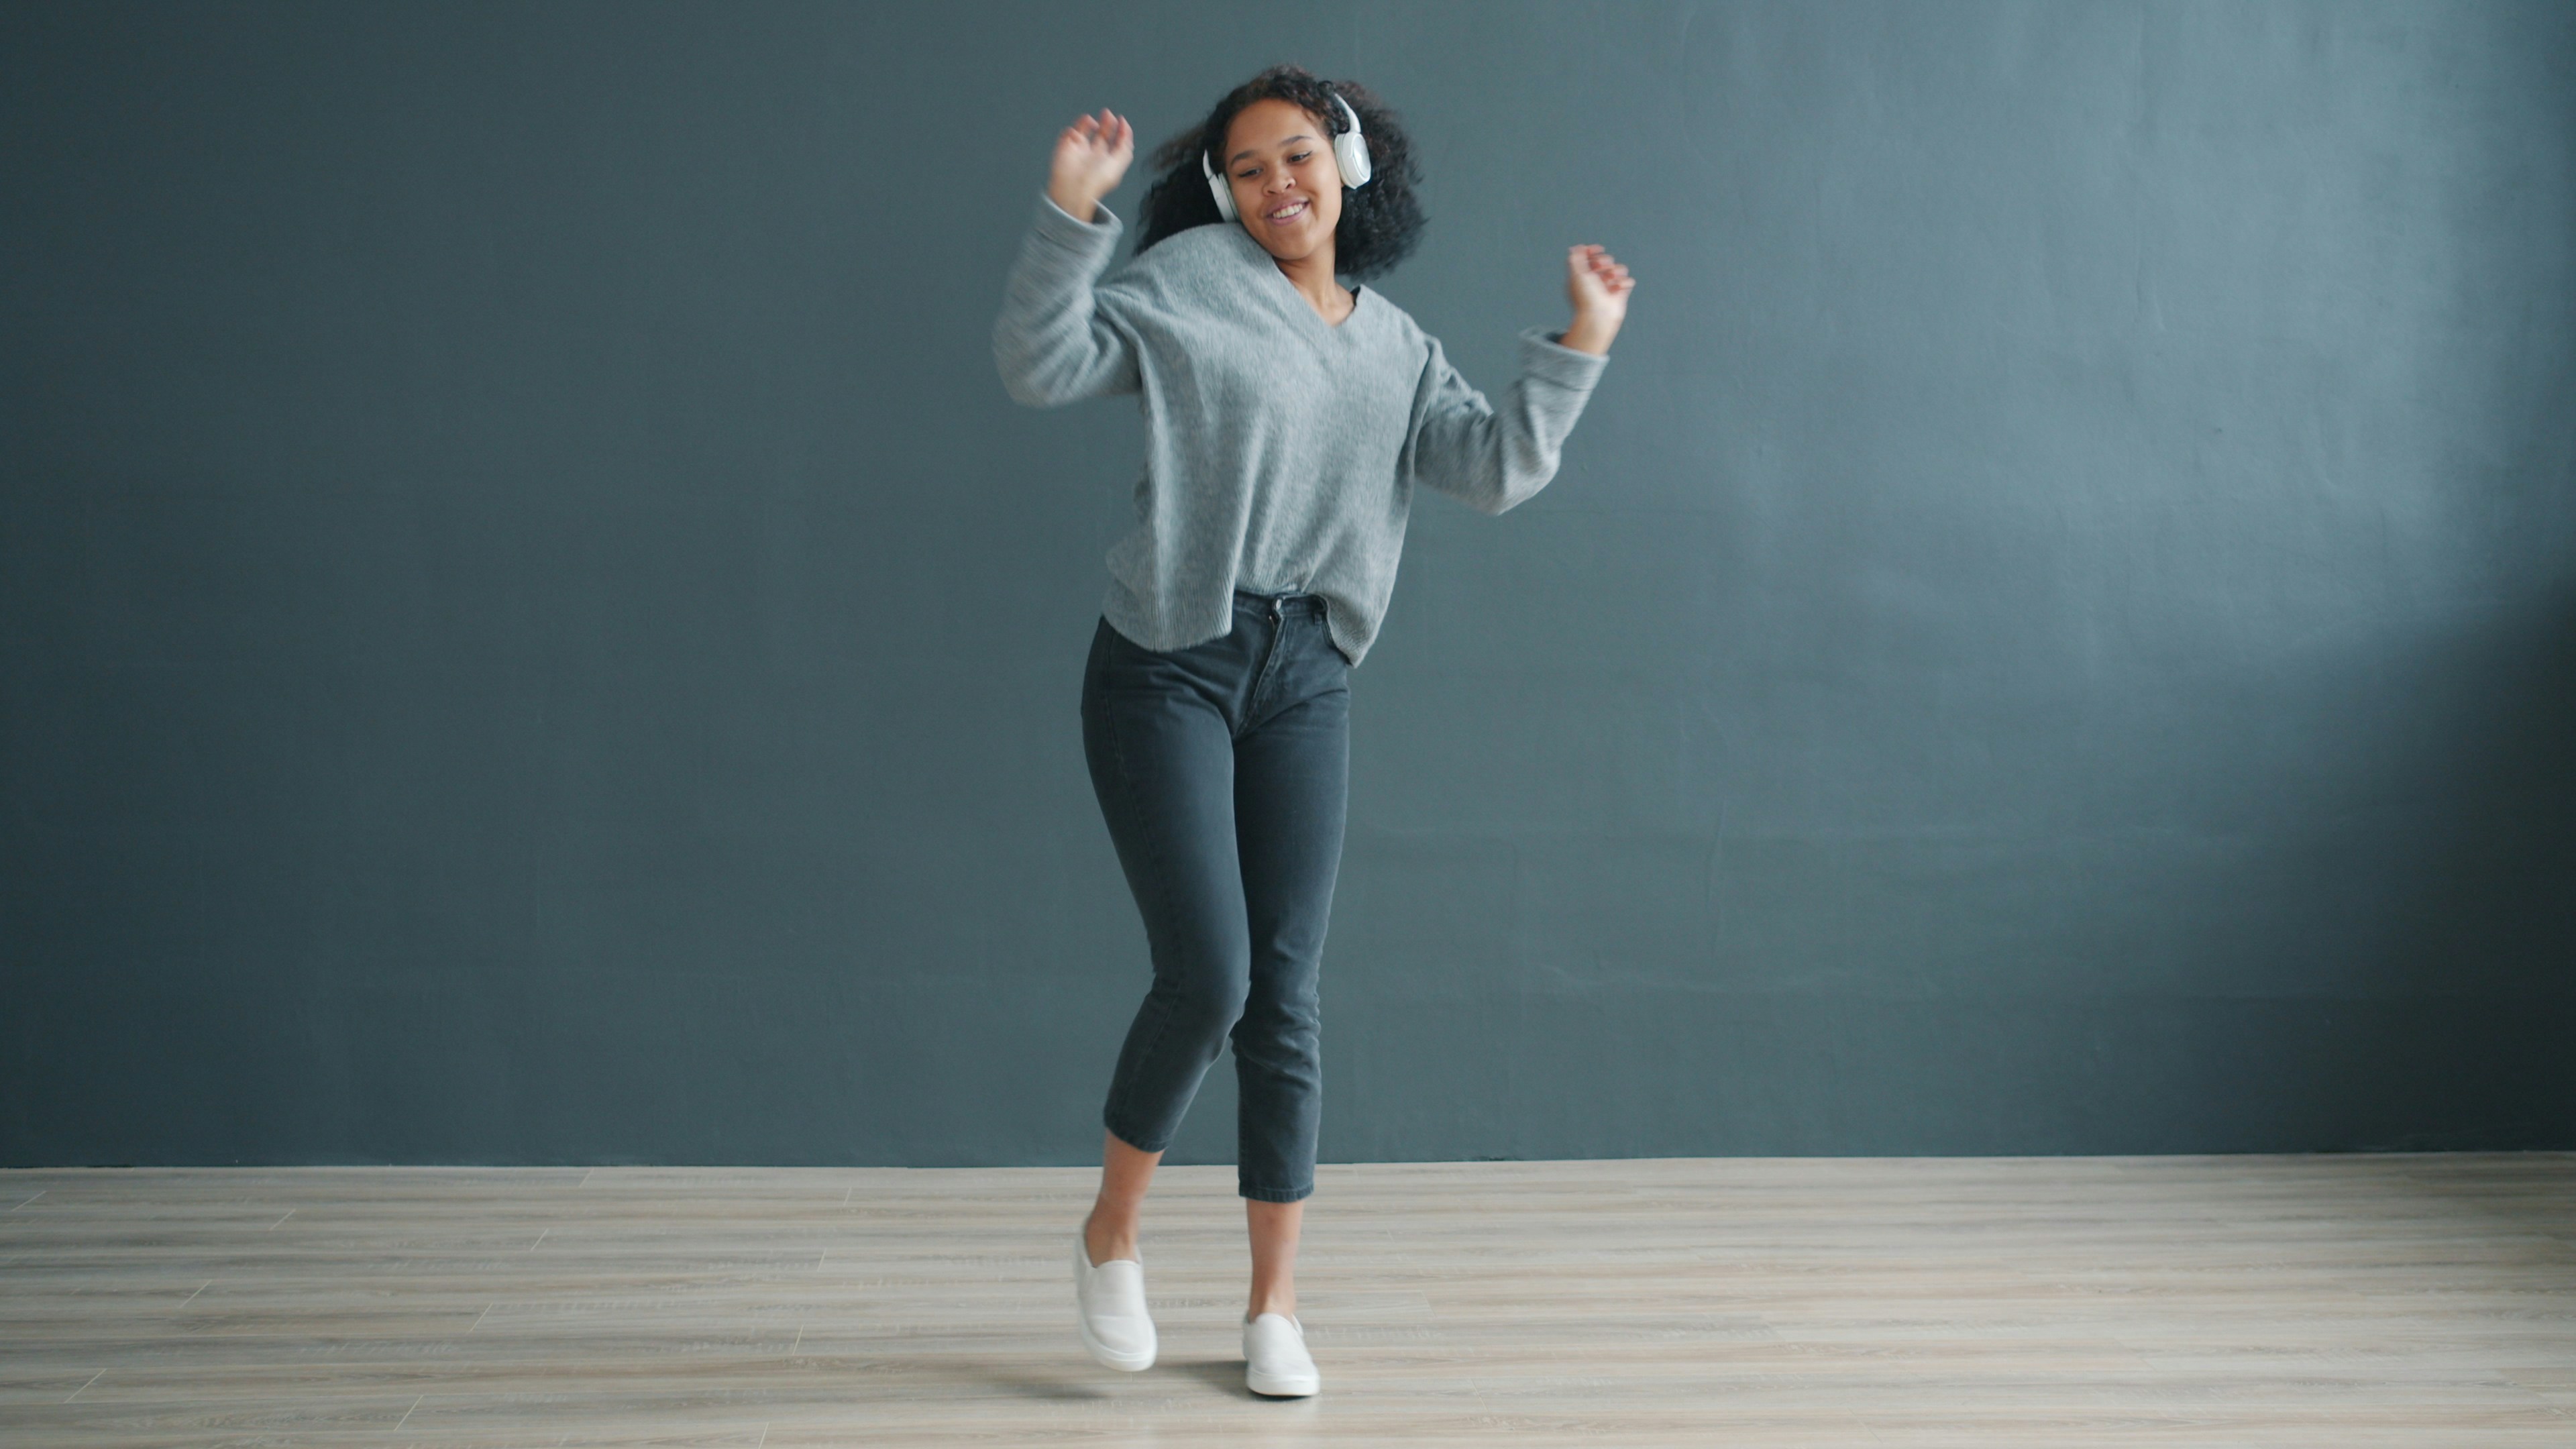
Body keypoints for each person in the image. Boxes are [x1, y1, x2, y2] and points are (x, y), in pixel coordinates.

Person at [990, 63, 1634, 1399]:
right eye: (1249, 166)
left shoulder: (1396, 346)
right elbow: (1040, 363)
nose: (1278, 181)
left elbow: (1494, 469)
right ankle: (1111, 1232)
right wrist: (1069, 215)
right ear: (1224, 192)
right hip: (1169, 656)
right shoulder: (1189, 287)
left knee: (1287, 996)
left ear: (1347, 166)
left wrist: (1583, 342)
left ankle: (1274, 1309)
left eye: (1299, 155)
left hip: (1307, 673)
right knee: (1210, 978)